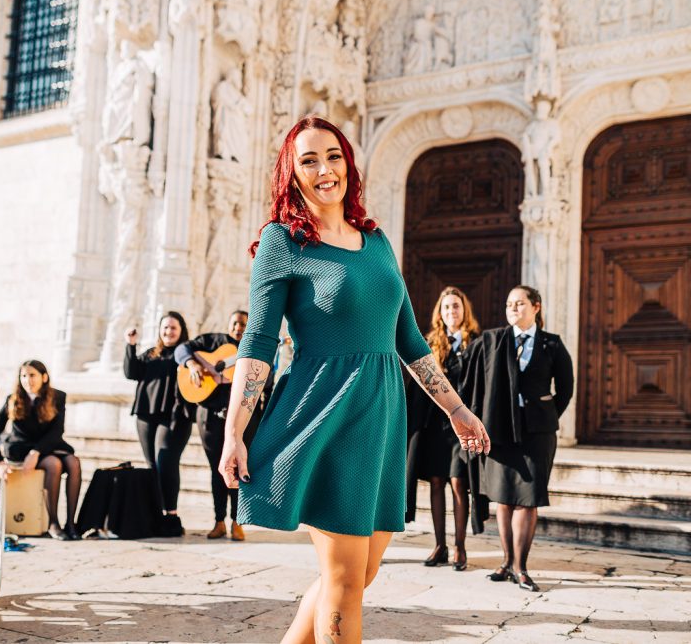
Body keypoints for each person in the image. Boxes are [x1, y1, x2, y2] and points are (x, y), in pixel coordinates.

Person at [217, 116, 491, 644]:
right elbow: (258, 344)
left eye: (334, 155)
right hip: (323, 411)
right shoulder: (282, 241)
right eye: (309, 160)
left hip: (382, 416)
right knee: (344, 580)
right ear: (291, 175)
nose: (325, 169)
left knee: (358, 572)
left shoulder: (377, 240)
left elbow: (410, 339)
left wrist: (457, 409)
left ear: (349, 163)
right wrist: (234, 431)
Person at [462, 285, 573, 592]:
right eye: (509, 303)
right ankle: (506, 562)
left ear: (536, 307)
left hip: (537, 433)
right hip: (499, 429)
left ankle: (520, 567)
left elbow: (565, 389)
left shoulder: (552, 344)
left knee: (527, 498)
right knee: (504, 497)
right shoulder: (492, 340)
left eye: (520, 303)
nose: (513, 308)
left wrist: (543, 414)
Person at [406, 286, 481, 570]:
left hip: (463, 424)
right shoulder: (429, 343)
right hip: (435, 426)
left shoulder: (477, 343)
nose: (452, 311)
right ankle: (440, 545)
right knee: (436, 482)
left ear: (465, 311)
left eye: (456, 306)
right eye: (447, 307)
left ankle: (460, 546)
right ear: (441, 312)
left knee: (459, 483)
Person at [175, 310, 251, 541]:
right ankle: (218, 521)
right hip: (208, 414)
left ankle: (238, 521)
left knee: (238, 467)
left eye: (244, 325)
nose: (239, 328)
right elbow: (181, 349)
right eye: (236, 323)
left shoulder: (250, 349)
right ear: (229, 323)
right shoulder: (213, 341)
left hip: (238, 417)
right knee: (216, 468)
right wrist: (192, 365)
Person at [0, 360, 81, 541]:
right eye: (23, 376)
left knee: (73, 462)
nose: (27, 380)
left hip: (48, 445)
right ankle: (53, 523)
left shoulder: (58, 397)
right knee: (54, 464)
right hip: (20, 448)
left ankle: (71, 524)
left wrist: (36, 452)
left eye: (32, 375)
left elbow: (57, 431)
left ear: (44, 377)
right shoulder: (12, 399)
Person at [124, 312, 193, 536]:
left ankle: (171, 516)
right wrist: (130, 345)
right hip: (146, 414)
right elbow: (131, 372)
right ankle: (154, 514)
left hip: (174, 416)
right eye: (165, 328)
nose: (168, 332)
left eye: (173, 328)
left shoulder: (186, 354)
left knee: (166, 462)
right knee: (151, 465)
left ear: (181, 330)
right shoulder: (151, 354)